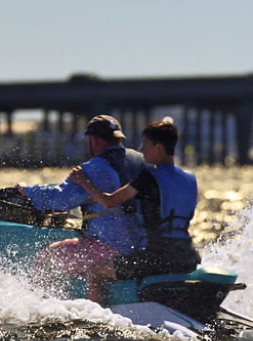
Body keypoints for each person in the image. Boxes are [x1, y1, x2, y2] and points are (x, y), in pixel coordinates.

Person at [69, 118, 201, 303]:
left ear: (159, 149)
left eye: (145, 145)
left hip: (157, 259)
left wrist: (84, 181)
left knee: (95, 271)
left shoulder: (149, 177)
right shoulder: (190, 178)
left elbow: (109, 201)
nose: (140, 149)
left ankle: (100, 319)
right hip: (188, 257)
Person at [20, 115, 145, 290]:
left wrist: (26, 191)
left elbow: (59, 200)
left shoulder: (93, 168)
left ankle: (47, 305)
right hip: (141, 246)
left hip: (113, 248)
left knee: (45, 257)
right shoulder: (141, 160)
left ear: (93, 140)